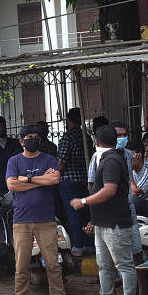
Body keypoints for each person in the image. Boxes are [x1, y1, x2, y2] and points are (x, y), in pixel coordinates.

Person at [72, 126, 136, 295]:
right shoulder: (108, 158)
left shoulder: (111, 161)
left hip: (114, 222)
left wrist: (83, 201)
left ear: (97, 142)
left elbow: (109, 190)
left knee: (123, 265)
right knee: (105, 266)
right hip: (103, 222)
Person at [6, 128, 67, 295]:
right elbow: (12, 184)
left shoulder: (48, 159)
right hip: (22, 220)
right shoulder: (14, 161)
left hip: (46, 219)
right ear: (21, 141)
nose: (32, 140)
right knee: (21, 264)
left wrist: (28, 178)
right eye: (28, 138)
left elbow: (55, 179)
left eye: (35, 137)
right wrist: (42, 180)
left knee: (53, 263)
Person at [57, 107, 93, 255]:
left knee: (73, 213)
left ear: (68, 120)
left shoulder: (67, 137)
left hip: (69, 180)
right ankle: (89, 243)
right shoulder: (86, 136)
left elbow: (61, 162)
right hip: (84, 179)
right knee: (86, 213)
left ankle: (77, 245)